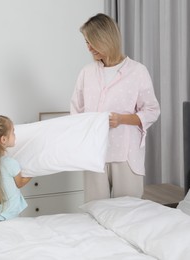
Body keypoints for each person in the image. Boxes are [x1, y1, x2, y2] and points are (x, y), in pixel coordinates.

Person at [70, 13, 160, 203]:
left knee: (128, 212)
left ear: (106, 39)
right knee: (95, 211)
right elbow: (76, 111)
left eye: (92, 41)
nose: (89, 47)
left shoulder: (137, 71)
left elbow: (152, 110)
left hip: (125, 153)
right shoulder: (87, 72)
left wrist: (121, 119)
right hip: (94, 153)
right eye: (86, 42)